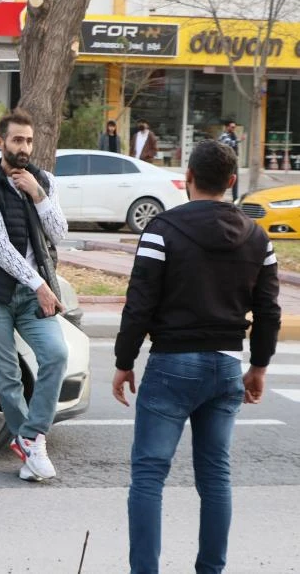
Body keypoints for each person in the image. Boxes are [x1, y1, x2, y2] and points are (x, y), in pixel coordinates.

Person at [112, 139, 280, 574]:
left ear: (187, 178)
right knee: (216, 479)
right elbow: (268, 310)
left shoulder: (162, 231)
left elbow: (140, 303)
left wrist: (124, 360)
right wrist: (258, 366)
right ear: (230, 181)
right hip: (227, 366)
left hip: (172, 364)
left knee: (149, 475)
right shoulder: (257, 238)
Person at [0, 109, 68, 482]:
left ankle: (30, 437)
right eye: (16, 140)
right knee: (8, 376)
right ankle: (31, 448)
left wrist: (39, 195)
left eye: (28, 141)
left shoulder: (45, 181)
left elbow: (58, 233)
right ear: (1, 142)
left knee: (56, 355)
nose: (24, 147)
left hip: (31, 297)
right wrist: (39, 284)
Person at [218, 121, 241, 200]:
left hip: (232, 161)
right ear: (227, 127)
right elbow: (229, 143)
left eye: (234, 127)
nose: (233, 129)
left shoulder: (232, 135)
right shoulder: (224, 135)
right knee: (224, 179)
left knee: (234, 180)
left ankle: (235, 198)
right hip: (226, 161)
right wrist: (240, 140)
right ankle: (219, 196)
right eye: (232, 127)